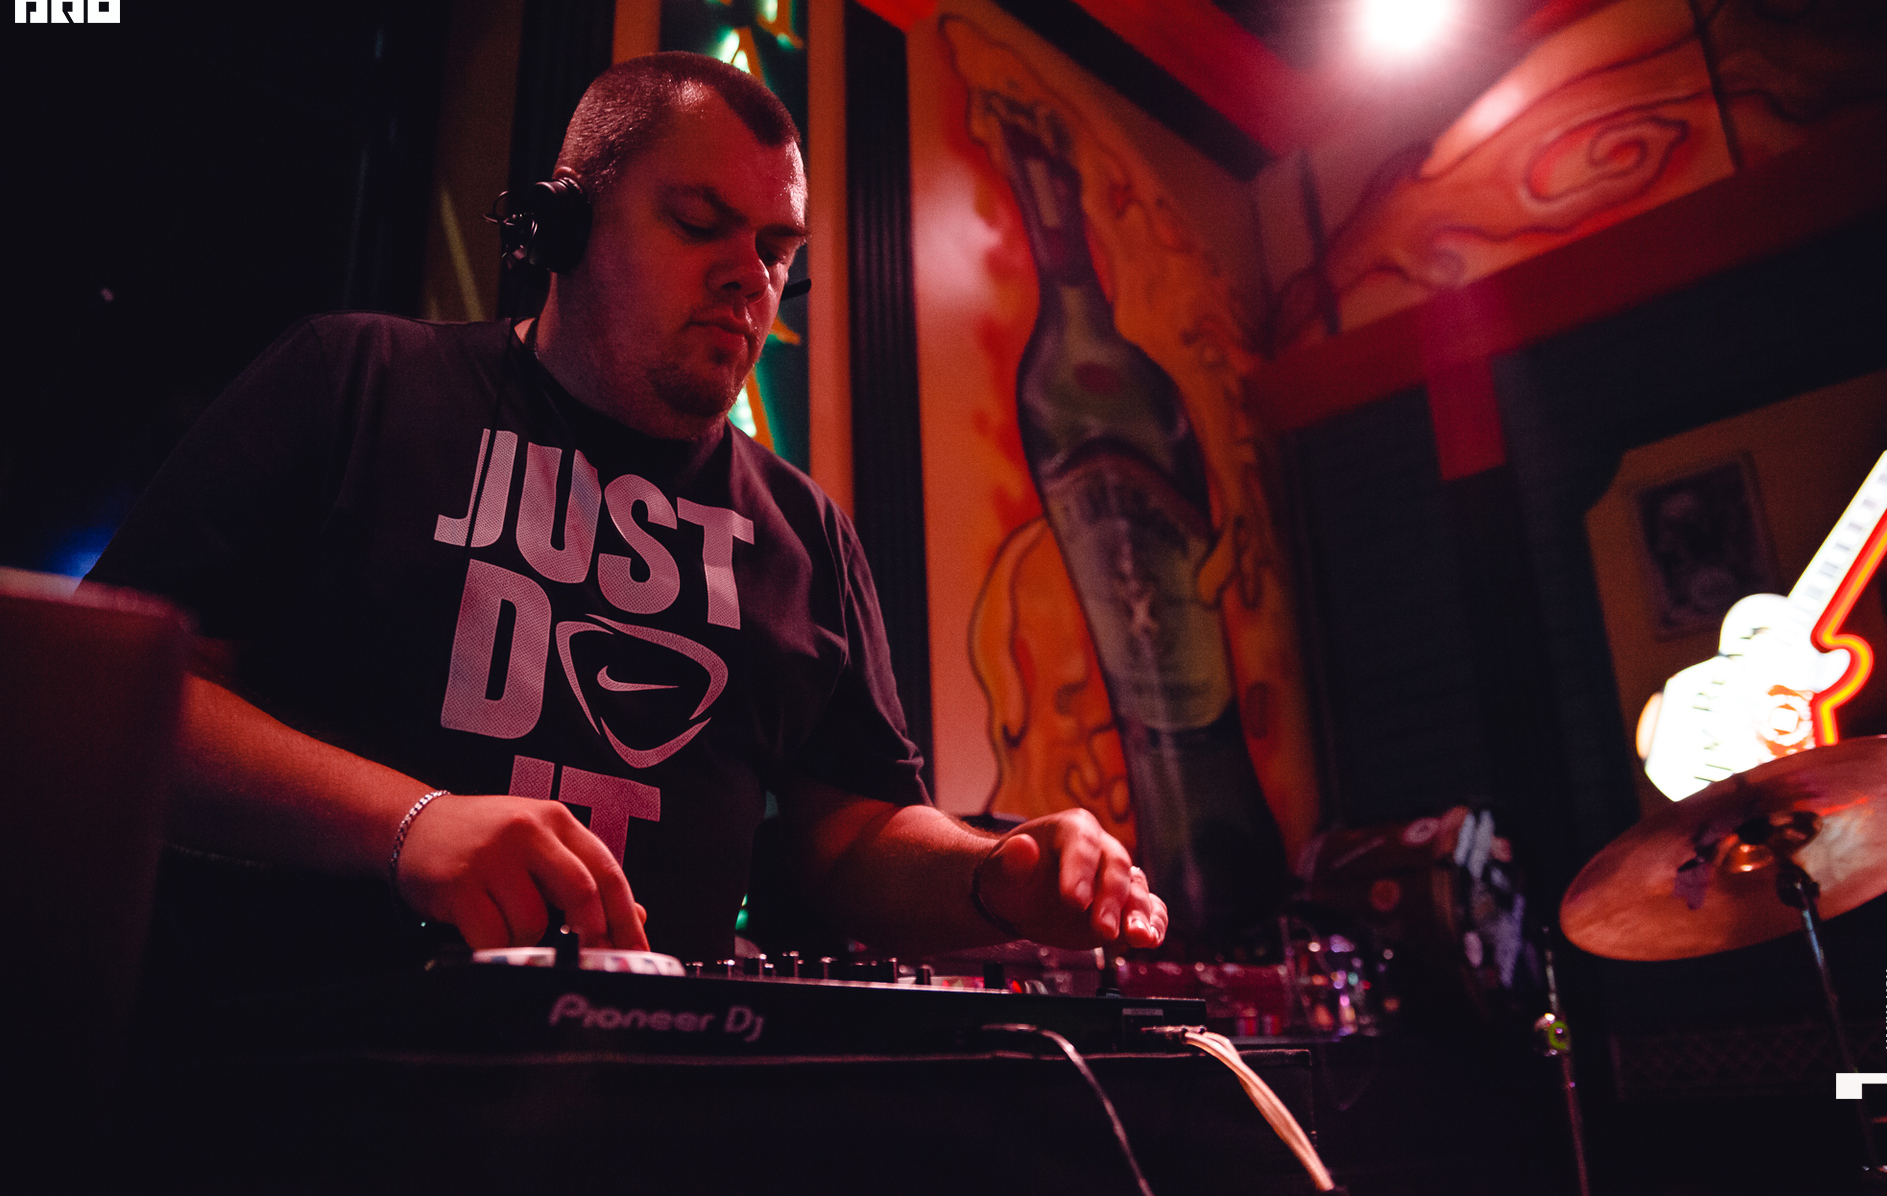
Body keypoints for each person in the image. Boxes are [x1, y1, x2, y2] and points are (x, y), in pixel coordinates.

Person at [90, 53, 1166, 982]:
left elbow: (854, 835)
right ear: (564, 222)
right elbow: (117, 705)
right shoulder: (356, 381)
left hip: (639, 1109)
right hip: (292, 1077)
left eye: (777, 248)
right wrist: (411, 824)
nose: (749, 276)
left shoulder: (806, 536)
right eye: (699, 224)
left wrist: (995, 873)